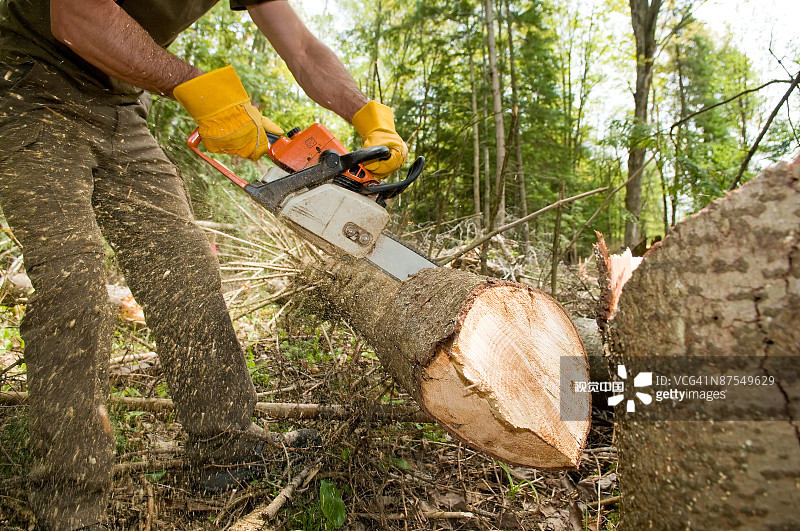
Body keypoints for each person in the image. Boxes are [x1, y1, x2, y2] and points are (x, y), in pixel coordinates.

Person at [0, 0, 408, 528]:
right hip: (28, 86)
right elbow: (76, 15)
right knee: (73, 284)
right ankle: (70, 495)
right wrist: (199, 87)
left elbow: (304, 48)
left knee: (184, 270)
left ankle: (227, 446)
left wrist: (366, 115)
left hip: (120, 105)